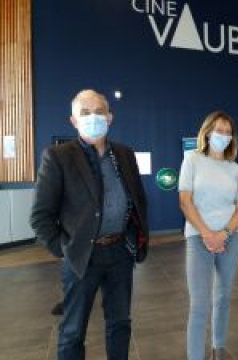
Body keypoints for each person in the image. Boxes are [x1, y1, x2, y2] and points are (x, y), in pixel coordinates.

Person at [30, 89, 149, 360]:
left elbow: (139, 199)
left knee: (120, 324)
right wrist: (67, 250)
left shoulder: (125, 154)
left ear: (110, 117)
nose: (92, 117)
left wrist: (135, 238)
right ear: (73, 120)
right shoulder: (58, 156)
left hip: (120, 252)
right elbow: (40, 216)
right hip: (82, 256)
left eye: (98, 112)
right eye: (85, 113)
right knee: (73, 331)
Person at [178, 111, 238, 360]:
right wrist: (208, 234)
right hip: (199, 238)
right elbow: (185, 201)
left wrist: (224, 233)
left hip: (231, 237)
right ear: (207, 133)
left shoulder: (236, 168)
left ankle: (218, 348)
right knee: (199, 305)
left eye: (228, 133)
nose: (224, 136)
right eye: (219, 131)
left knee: (223, 297)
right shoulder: (192, 160)